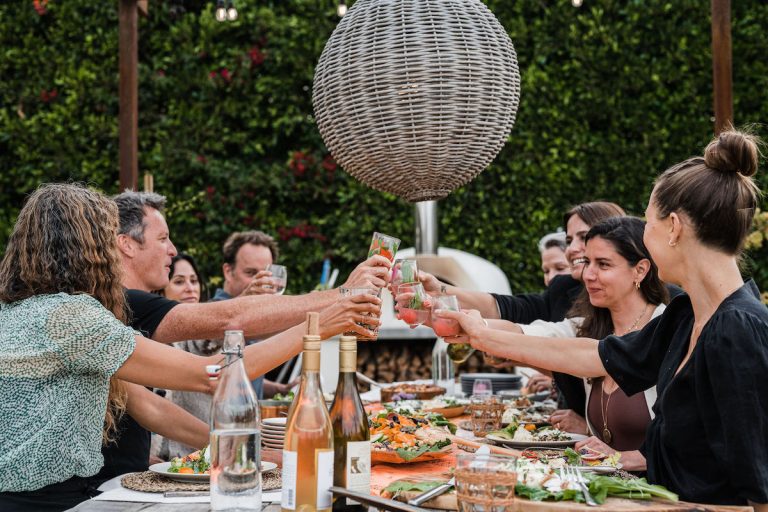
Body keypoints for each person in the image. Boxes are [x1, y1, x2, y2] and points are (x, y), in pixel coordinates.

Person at [0, 184, 382, 512]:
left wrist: (256, 456)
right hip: (53, 502)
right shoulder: (71, 317)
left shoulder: (20, 312)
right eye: (105, 241)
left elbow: (148, 405)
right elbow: (212, 374)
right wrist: (319, 325)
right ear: (88, 248)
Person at [439, 130, 768, 508]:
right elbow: (596, 355)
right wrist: (479, 334)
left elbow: (758, 487)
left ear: (674, 228)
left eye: (648, 223)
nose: (645, 236)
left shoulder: (737, 329)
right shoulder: (687, 314)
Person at [99, 190, 388, 480]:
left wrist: (248, 451)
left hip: (126, 482)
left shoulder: (118, 307)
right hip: (97, 492)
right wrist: (340, 300)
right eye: (163, 239)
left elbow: (150, 407)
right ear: (126, 244)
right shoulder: (122, 305)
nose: (173, 250)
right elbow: (226, 335)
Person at [407, 201, 627, 431]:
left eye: (584, 237)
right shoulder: (565, 291)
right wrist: (440, 294)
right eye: (569, 240)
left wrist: (589, 426)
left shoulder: (650, 315)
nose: (572, 249)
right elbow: (510, 309)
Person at [499, 217, 668, 468]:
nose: (588, 275)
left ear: (640, 270)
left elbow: (688, 440)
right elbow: (523, 333)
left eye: (603, 264)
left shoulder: (667, 327)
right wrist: (458, 319)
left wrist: (620, 459)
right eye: (587, 262)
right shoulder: (585, 327)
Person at [212, 230, 296, 399]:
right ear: (228, 272)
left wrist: (283, 389)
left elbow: (242, 377)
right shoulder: (212, 313)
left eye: (267, 274)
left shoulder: (259, 317)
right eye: (251, 273)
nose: (261, 281)